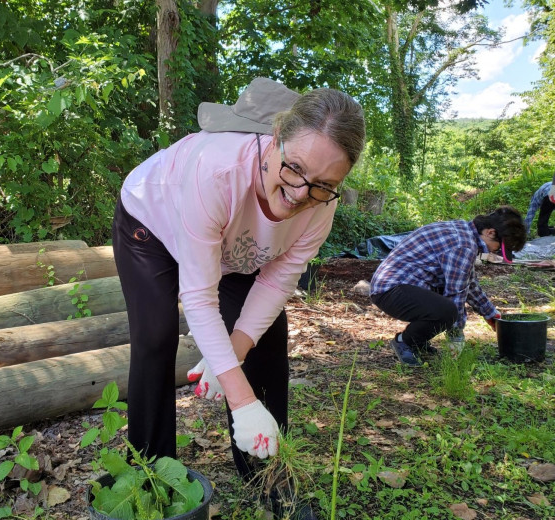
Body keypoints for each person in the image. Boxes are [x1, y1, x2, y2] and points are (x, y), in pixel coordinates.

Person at [111, 76, 365, 507]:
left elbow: (278, 279)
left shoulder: (323, 204)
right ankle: (152, 484)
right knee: (155, 339)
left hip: (234, 245)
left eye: (322, 184)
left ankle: (270, 480)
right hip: (152, 223)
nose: (301, 193)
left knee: (265, 339)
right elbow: (199, 295)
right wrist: (240, 398)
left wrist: (234, 350)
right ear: (276, 139)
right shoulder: (216, 171)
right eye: (296, 169)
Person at [369, 206, 527, 366]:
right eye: (499, 248)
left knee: (445, 308)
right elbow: (455, 293)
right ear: (490, 232)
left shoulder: (465, 232)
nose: (496, 253)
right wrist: (456, 334)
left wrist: (490, 314)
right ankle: (404, 342)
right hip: (391, 289)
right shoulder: (463, 246)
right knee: (447, 311)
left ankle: (418, 341)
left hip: (403, 286)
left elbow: (469, 283)